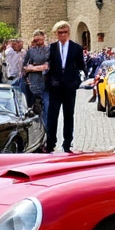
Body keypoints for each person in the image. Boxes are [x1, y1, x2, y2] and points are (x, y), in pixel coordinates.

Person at [45, 22, 84, 153]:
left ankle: (67, 143)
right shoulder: (51, 48)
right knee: (52, 116)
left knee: (69, 115)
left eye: (65, 32)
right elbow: (48, 66)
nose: (63, 35)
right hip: (55, 87)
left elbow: (81, 66)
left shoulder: (76, 48)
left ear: (69, 33)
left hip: (69, 86)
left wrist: (76, 82)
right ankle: (50, 143)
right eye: (60, 33)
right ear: (56, 34)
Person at [21, 30, 51, 139]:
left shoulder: (49, 50)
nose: (38, 41)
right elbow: (24, 67)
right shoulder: (31, 51)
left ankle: (47, 136)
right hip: (33, 85)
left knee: (47, 111)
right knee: (32, 111)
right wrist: (31, 69)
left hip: (46, 84)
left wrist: (32, 68)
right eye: (36, 39)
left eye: (39, 39)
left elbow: (47, 66)